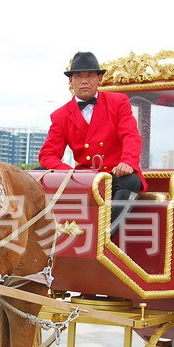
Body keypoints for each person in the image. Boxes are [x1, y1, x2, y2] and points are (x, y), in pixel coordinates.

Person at [38, 51, 146, 224]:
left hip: (115, 174)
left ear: (99, 79)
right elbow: (48, 155)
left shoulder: (118, 102)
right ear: (71, 81)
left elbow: (130, 135)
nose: (84, 80)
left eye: (90, 75)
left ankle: (103, 237)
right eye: (79, 76)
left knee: (131, 181)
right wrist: (69, 173)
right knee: (39, 173)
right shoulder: (60, 115)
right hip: (83, 177)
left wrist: (128, 162)